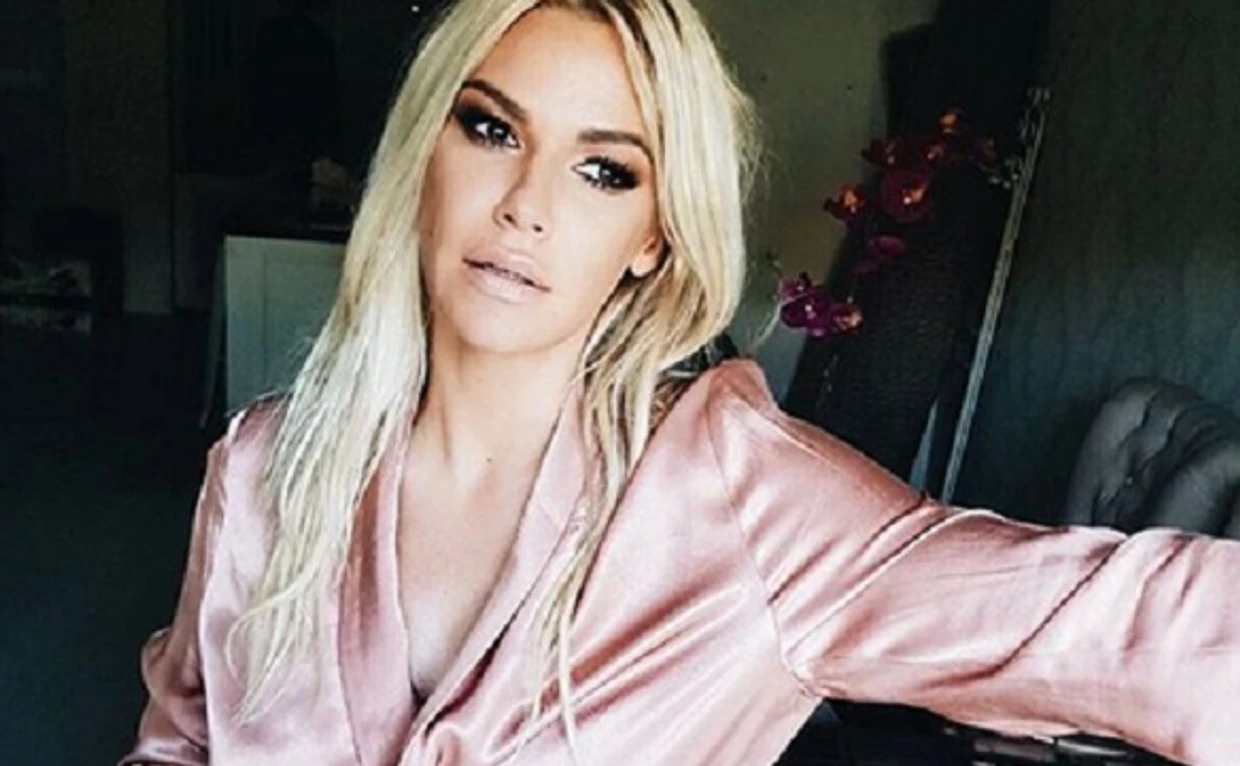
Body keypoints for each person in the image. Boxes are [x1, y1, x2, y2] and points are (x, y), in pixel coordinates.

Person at [119, 1, 1240, 764]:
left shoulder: (742, 501)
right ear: (424, 153)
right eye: (491, 129)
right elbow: (179, 743)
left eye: (603, 170)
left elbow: (1152, 630)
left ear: (653, 236)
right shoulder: (263, 469)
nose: (526, 206)